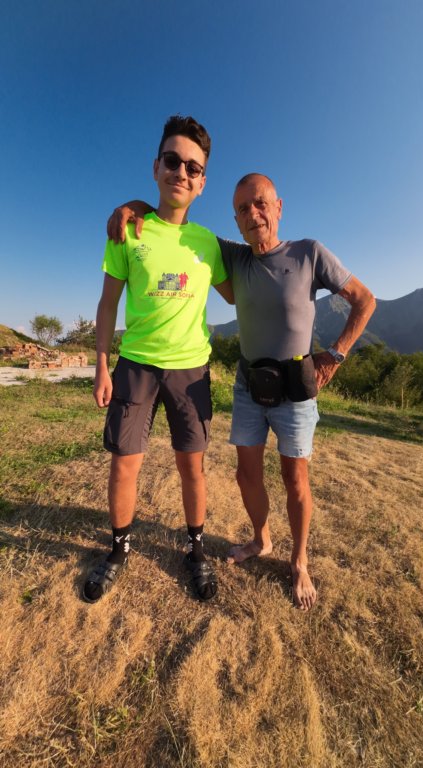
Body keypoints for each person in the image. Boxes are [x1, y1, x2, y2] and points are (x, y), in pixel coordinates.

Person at [107, 174, 376, 612]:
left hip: (296, 388)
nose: (253, 214)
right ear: (235, 219)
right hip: (249, 385)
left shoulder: (309, 253)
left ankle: (300, 561)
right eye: (243, 209)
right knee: (246, 475)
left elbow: (364, 300)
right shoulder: (234, 256)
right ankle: (261, 539)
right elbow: (176, 222)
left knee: (295, 479)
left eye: (261, 203)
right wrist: (134, 205)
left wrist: (334, 356)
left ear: (278, 207)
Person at [82, 115, 234, 605]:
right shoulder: (128, 231)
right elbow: (108, 304)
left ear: (203, 182)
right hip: (136, 366)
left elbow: (239, 293)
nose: (181, 172)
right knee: (124, 466)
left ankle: (196, 550)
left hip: (191, 370)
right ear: (156, 167)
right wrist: (101, 365)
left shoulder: (209, 243)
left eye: (193, 167)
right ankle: (118, 550)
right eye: (173, 160)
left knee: (193, 468)